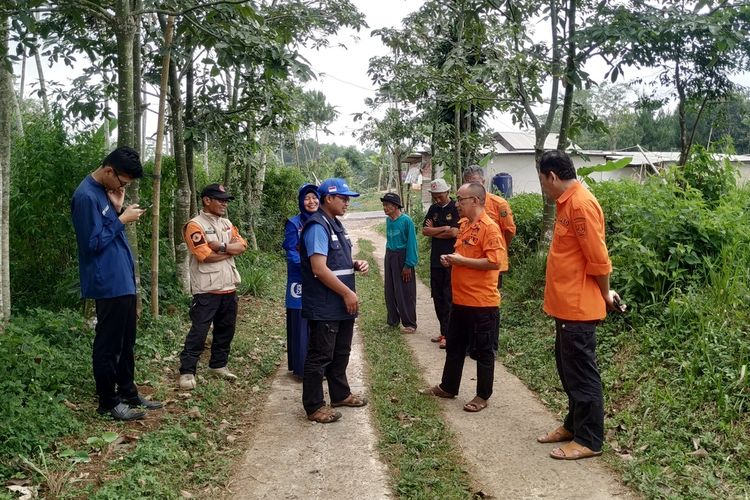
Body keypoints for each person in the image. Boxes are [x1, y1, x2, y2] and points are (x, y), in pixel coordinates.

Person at [535, 150, 623, 460]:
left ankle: (589, 440)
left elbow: (598, 260)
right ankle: (573, 426)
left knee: (582, 374)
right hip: (565, 306)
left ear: (553, 176)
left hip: (578, 307)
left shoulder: (581, 204)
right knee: (568, 369)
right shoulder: (567, 203)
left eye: (543, 181)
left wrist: (606, 293)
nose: (544, 187)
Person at [71, 146, 163, 421]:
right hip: (106, 281)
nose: (123, 186)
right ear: (109, 171)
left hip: (122, 279)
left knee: (126, 341)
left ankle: (127, 391)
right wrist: (121, 219)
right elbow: (91, 244)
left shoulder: (104, 192)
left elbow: (104, 230)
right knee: (109, 344)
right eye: (122, 181)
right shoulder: (85, 196)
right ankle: (108, 402)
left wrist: (117, 209)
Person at [421, 182, 507, 413]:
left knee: (484, 350)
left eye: (461, 199)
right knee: (455, 346)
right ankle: (448, 386)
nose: (457, 204)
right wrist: (452, 259)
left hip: (482, 303)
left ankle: (482, 395)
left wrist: (461, 261)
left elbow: (494, 262)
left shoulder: (490, 228)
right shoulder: (465, 225)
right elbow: (465, 254)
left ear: (476, 201)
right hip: (460, 300)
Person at [300, 178, 370, 424]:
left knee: (341, 351)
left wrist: (354, 263)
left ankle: (340, 394)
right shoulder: (317, 226)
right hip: (326, 303)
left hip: (340, 304)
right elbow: (319, 268)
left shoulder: (335, 225)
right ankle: (314, 406)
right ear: (328, 199)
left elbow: (334, 261)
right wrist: (347, 293)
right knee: (320, 355)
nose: (347, 202)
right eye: (343, 198)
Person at [178, 184, 248, 390]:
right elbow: (204, 256)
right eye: (220, 199)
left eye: (226, 200)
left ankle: (218, 365)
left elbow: (242, 245)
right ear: (206, 200)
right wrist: (230, 252)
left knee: (226, 329)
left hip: (228, 285)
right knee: (199, 331)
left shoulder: (226, 223)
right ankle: (187, 371)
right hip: (206, 289)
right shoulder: (194, 225)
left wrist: (223, 247)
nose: (224, 203)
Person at [463, 165, 516, 352]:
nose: (472, 186)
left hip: (492, 265)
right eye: (468, 183)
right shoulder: (465, 207)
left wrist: (497, 251)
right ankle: (472, 344)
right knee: (471, 303)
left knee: (490, 305)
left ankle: (489, 346)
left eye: (475, 182)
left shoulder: (499, 204)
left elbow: (509, 232)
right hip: (470, 265)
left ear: (483, 182)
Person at [282, 184, 319, 380]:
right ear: (300, 201)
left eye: (315, 197)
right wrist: (312, 268)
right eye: (307, 198)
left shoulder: (323, 222)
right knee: (300, 321)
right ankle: (302, 368)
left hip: (321, 278)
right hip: (299, 280)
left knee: (319, 322)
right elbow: (291, 253)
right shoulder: (293, 223)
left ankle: (319, 366)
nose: (311, 201)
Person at [422, 179, 459, 349]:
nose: (437, 200)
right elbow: (425, 230)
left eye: (440, 196)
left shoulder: (455, 208)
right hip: (435, 260)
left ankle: (450, 335)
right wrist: (443, 229)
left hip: (451, 260)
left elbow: (454, 233)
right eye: (435, 197)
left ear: (447, 193)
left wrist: (434, 231)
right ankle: (443, 331)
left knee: (448, 297)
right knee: (437, 296)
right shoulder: (433, 209)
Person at [381, 192, 418, 334]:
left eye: (387, 205)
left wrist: (409, 264)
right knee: (390, 289)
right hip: (390, 255)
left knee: (405, 291)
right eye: (383, 205)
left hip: (403, 257)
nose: (384, 208)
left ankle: (410, 323)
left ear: (396, 206)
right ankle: (392, 321)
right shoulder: (389, 220)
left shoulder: (406, 221)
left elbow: (412, 244)